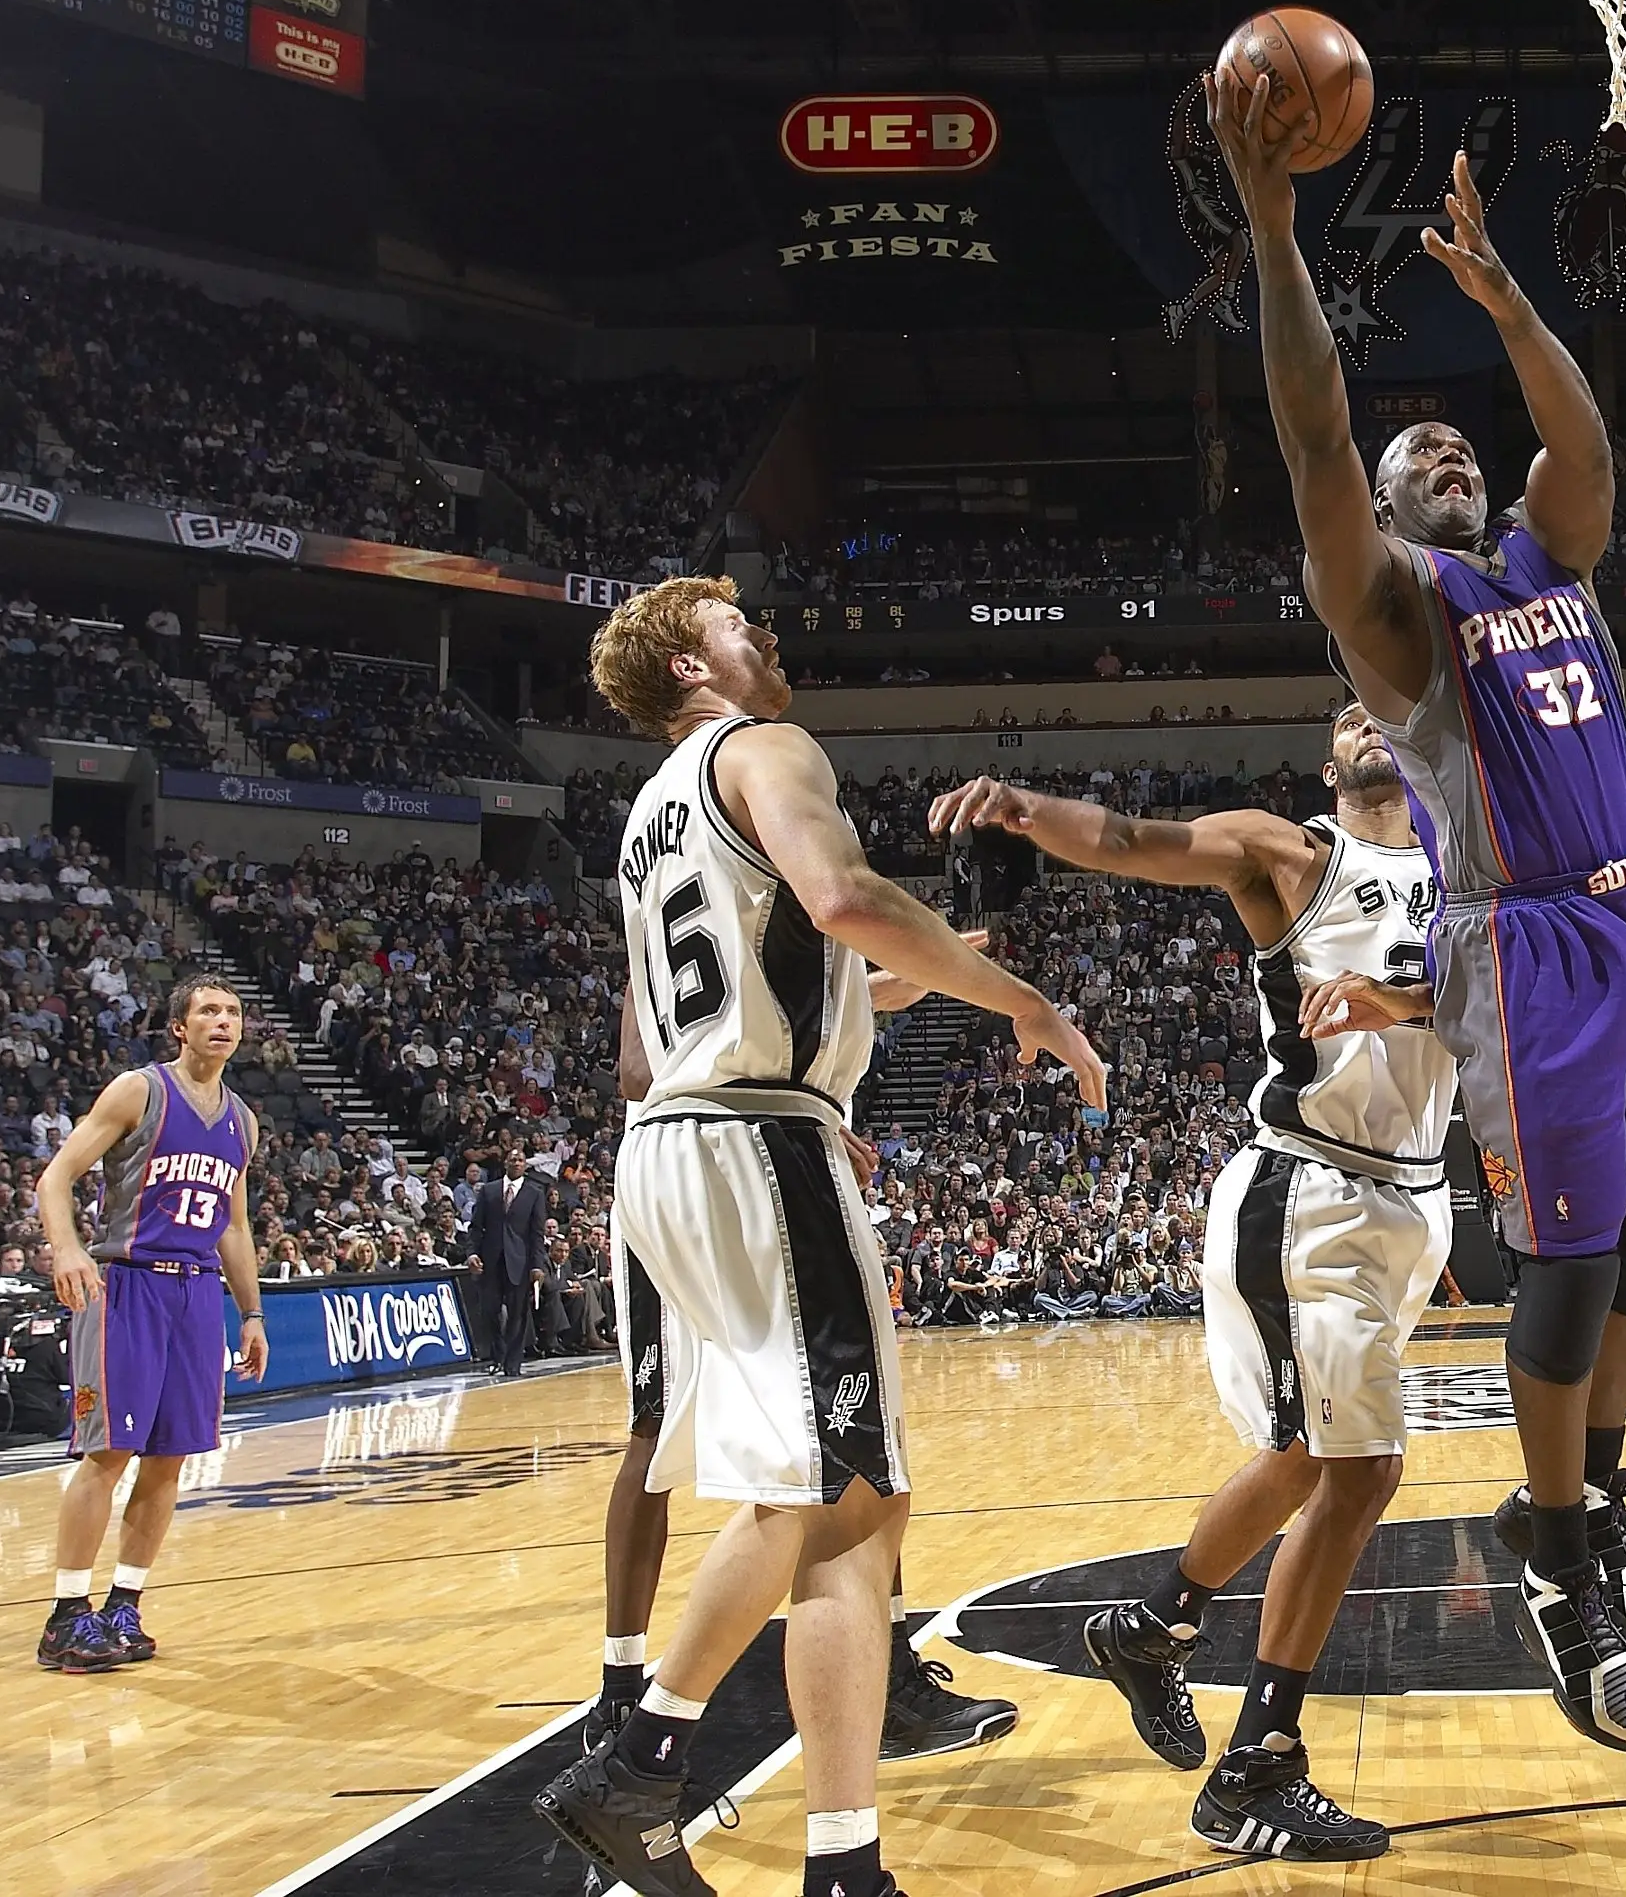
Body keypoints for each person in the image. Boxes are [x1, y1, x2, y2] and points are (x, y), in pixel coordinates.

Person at [1205, 63, 1626, 1755]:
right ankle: (1561, 1574)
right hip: (1528, 946)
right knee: (1563, 1274)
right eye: (1409, 451)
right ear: (1380, 502)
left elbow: (1579, 442)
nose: (1443, 456)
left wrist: (1510, 299)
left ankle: (1592, 1498)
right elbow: (1305, 426)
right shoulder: (1396, 611)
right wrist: (1276, 227)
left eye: (1454, 448)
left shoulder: (1544, 557)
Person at [536, 577, 1103, 1897]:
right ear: (686, 657)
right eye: (738, 622)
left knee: (858, 1499)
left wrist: (859, 1016)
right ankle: (641, 1755)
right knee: (815, 1496)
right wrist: (1025, 1001)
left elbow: (795, 958)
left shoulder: (650, 809)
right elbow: (843, 896)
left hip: (694, 1142)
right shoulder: (764, 746)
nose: (769, 634)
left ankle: (842, 1858)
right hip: (756, 1142)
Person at [925, 703, 1457, 1861]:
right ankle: (1255, 1766)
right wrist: (1024, 809)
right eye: (1347, 714)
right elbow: (1130, 839)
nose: (1367, 719)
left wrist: (1405, 1006)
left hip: (1411, 1198)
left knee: (1309, 1456)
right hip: (1308, 1186)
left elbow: (1503, 1011)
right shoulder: (1295, 851)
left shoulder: (1476, 873)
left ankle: (1154, 1623)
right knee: (1357, 1472)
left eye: (1387, 709)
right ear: (1331, 761)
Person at [580, 991, 1015, 1777]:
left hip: (765, 1158)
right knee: (656, 1433)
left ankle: (885, 1675)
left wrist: (859, 999)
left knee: (855, 1441)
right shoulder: (689, 897)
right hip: (698, 1169)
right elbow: (639, 1070)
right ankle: (621, 1694)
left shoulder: (775, 940)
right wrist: (772, 1107)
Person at [33, 975, 267, 1673]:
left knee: (171, 1458)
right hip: (127, 1284)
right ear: (180, 1027)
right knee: (108, 1455)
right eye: (208, 1011)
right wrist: (69, 1247)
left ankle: (124, 1605)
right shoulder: (140, 1090)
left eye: (232, 1012)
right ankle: (66, 1616)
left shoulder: (243, 1121)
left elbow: (234, 1224)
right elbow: (55, 1178)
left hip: (196, 1297)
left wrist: (250, 1312)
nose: (222, 1021)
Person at [469, 1154, 549, 1380]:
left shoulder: (535, 1193)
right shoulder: (489, 1190)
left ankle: (512, 1363)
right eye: (512, 1160)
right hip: (491, 1260)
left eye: (520, 1160)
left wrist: (537, 1265)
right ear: (505, 1164)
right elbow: (476, 1227)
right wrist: (472, 1253)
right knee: (490, 1312)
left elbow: (537, 1233)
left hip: (520, 1262)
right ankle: (497, 1358)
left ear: (525, 1165)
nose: (516, 1163)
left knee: (517, 1315)